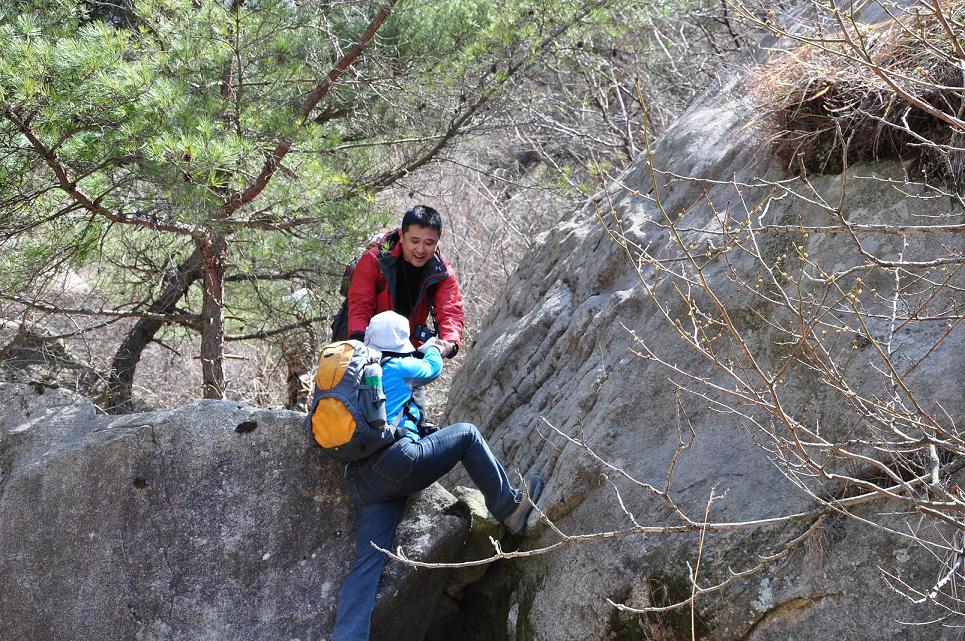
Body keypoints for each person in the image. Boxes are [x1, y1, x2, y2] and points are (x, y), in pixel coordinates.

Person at [331, 311, 543, 641]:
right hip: (398, 463)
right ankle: (509, 507)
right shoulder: (399, 366)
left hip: (362, 481)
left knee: (368, 563)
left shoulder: (351, 373)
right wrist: (434, 347)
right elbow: (433, 368)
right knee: (467, 435)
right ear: (402, 345)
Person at [345, 205, 464, 358]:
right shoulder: (375, 260)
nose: (420, 249)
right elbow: (361, 303)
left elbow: (451, 310)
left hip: (407, 349)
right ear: (401, 236)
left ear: (438, 242)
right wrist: (359, 341)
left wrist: (449, 343)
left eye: (429, 243)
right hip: (366, 342)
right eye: (414, 241)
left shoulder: (442, 272)